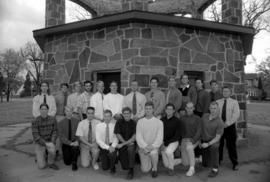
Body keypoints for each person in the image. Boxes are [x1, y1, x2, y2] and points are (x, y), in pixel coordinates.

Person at [136, 101, 163, 178]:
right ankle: (150, 160)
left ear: (153, 110)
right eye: (146, 108)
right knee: (145, 170)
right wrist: (145, 146)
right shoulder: (140, 122)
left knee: (153, 153)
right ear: (145, 109)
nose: (148, 110)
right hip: (143, 148)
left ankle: (155, 168)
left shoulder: (159, 122)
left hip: (154, 147)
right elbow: (139, 137)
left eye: (150, 109)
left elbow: (159, 137)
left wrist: (152, 146)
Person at [216, 86, 240, 171]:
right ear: (222, 92)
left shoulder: (234, 102)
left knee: (231, 146)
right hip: (220, 126)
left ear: (230, 93)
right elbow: (215, 113)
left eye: (227, 91)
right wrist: (220, 123)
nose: (225, 93)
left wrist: (227, 123)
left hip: (230, 127)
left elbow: (236, 115)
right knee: (219, 145)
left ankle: (235, 163)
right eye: (224, 91)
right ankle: (218, 161)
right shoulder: (218, 102)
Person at [31, 103, 59, 170]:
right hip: (40, 142)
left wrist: (52, 142)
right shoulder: (35, 121)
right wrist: (46, 144)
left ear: (48, 110)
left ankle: (51, 162)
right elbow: (36, 136)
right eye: (42, 109)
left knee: (53, 147)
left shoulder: (53, 119)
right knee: (41, 166)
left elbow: (55, 131)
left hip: (50, 141)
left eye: (45, 109)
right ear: (39, 110)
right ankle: (40, 156)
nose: (44, 111)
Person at [201, 102, 224, 177]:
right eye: (211, 108)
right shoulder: (204, 116)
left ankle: (215, 169)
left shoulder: (220, 122)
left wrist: (208, 144)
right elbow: (200, 128)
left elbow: (217, 138)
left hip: (214, 141)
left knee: (214, 147)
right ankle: (205, 160)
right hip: (204, 139)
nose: (213, 110)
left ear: (218, 109)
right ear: (209, 109)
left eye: (215, 108)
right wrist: (198, 141)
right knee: (205, 164)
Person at [114, 107, 136, 179]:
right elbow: (117, 134)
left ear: (131, 114)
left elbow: (134, 137)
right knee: (125, 167)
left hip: (131, 143)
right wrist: (124, 143)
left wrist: (123, 144)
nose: (126, 115)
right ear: (122, 114)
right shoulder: (119, 122)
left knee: (131, 149)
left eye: (128, 113)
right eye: (124, 113)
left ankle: (131, 170)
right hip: (122, 143)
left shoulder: (134, 123)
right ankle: (128, 162)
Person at [180, 102, 202, 177]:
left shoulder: (197, 118)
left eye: (191, 108)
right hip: (184, 140)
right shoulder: (182, 118)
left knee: (189, 148)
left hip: (194, 139)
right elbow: (180, 131)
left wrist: (193, 140)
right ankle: (198, 159)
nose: (189, 109)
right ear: (185, 108)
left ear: (193, 108)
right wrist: (181, 142)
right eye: (188, 108)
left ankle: (192, 169)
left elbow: (199, 131)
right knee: (185, 163)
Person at [160, 103, 181, 176]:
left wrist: (166, 144)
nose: (169, 111)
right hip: (164, 142)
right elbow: (160, 133)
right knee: (166, 164)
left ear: (174, 111)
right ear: (165, 110)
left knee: (169, 152)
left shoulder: (177, 121)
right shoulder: (161, 120)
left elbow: (177, 136)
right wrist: (162, 143)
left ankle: (171, 169)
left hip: (174, 142)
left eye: (171, 109)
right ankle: (182, 160)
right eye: (167, 109)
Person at [58, 106, 80, 171]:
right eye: (67, 111)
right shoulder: (60, 123)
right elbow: (61, 136)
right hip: (66, 143)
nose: (69, 113)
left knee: (75, 147)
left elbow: (79, 133)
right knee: (67, 162)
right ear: (65, 112)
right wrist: (70, 143)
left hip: (74, 141)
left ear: (72, 112)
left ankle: (74, 162)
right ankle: (71, 154)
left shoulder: (77, 121)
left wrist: (77, 141)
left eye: (70, 111)